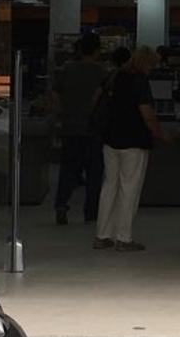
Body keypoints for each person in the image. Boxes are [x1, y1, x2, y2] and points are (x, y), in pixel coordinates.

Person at [95, 45, 167, 252]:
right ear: (147, 63)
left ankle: (102, 235)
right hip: (134, 141)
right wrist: (159, 133)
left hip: (110, 139)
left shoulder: (115, 76)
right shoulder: (139, 80)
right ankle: (123, 238)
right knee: (129, 188)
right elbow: (146, 112)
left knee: (109, 186)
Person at [53, 32, 107, 225]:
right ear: (97, 50)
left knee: (68, 169)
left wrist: (63, 111)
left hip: (70, 126)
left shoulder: (67, 69)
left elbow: (55, 93)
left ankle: (61, 204)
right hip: (94, 129)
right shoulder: (102, 72)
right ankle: (90, 212)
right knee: (94, 173)